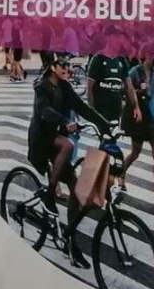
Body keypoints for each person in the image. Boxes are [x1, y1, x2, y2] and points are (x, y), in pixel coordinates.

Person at [29, 57, 111, 270]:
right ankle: (49, 194)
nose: (68, 68)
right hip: (42, 140)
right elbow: (44, 111)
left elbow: (81, 107)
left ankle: (70, 242)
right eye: (63, 65)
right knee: (68, 145)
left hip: (56, 140)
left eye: (68, 65)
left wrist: (104, 124)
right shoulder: (41, 86)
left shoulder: (64, 87)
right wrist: (65, 121)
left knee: (75, 190)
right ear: (52, 67)